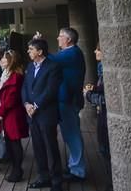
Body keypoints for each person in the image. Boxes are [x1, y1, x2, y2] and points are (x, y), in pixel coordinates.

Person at [22, 38, 63, 191]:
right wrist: (26, 104)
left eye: (31, 49)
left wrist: (36, 105)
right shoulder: (30, 67)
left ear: (39, 51)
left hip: (46, 113)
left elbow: (51, 91)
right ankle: (43, 177)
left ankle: (56, 181)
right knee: (38, 147)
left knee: (51, 147)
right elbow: (25, 87)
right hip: (32, 114)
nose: (28, 51)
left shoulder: (53, 67)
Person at [49, 27, 87, 182]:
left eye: (60, 36)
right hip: (68, 99)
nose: (58, 38)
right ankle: (74, 166)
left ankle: (78, 171)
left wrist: (40, 43)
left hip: (68, 100)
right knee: (70, 134)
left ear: (68, 39)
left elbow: (48, 59)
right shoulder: (72, 53)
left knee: (72, 135)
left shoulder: (71, 53)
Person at [0, 49, 28, 182]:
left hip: (12, 114)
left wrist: (1, 112)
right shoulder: (5, 74)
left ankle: (17, 170)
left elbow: (11, 98)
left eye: (4, 59)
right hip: (5, 113)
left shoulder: (15, 76)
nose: (1, 60)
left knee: (14, 142)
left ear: (11, 61)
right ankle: (15, 168)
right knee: (9, 141)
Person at [84, 43, 112, 191]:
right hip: (102, 116)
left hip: (105, 116)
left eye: (99, 49)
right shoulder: (101, 70)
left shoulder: (107, 72)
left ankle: (112, 183)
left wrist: (88, 95)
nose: (95, 51)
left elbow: (106, 99)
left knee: (106, 150)